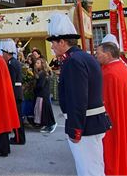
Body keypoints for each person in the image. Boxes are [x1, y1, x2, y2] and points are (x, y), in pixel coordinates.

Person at [47, 13, 111, 176]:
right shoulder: (84, 57)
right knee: (94, 167)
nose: (52, 47)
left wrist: (75, 129)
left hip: (84, 126)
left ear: (62, 42)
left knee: (89, 171)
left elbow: (78, 99)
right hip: (91, 123)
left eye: (53, 43)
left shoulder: (73, 61)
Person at [96, 42, 127, 175]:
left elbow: (104, 103)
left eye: (98, 53)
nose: (96, 56)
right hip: (126, 117)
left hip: (113, 122)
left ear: (108, 55)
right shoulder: (120, 67)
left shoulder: (109, 74)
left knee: (114, 152)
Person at [0, 39, 26, 145]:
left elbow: (10, 80)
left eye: (3, 53)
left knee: (17, 117)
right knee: (18, 116)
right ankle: (18, 136)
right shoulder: (15, 62)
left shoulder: (11, 64)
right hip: (18, 92)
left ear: (7, 53)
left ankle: (19, 138)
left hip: (14, 93)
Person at [33, 58, 57, 133]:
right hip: (44, 94)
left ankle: (50, 125)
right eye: (36, 63)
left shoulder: (42, 73)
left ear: (42, 64)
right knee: (45, 110)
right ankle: (48, 124)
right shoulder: (43, 72)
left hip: (43, 94)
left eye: (38, 63)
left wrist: (35, 88)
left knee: (45, 110)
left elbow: (40, 85)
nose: (36, 64)